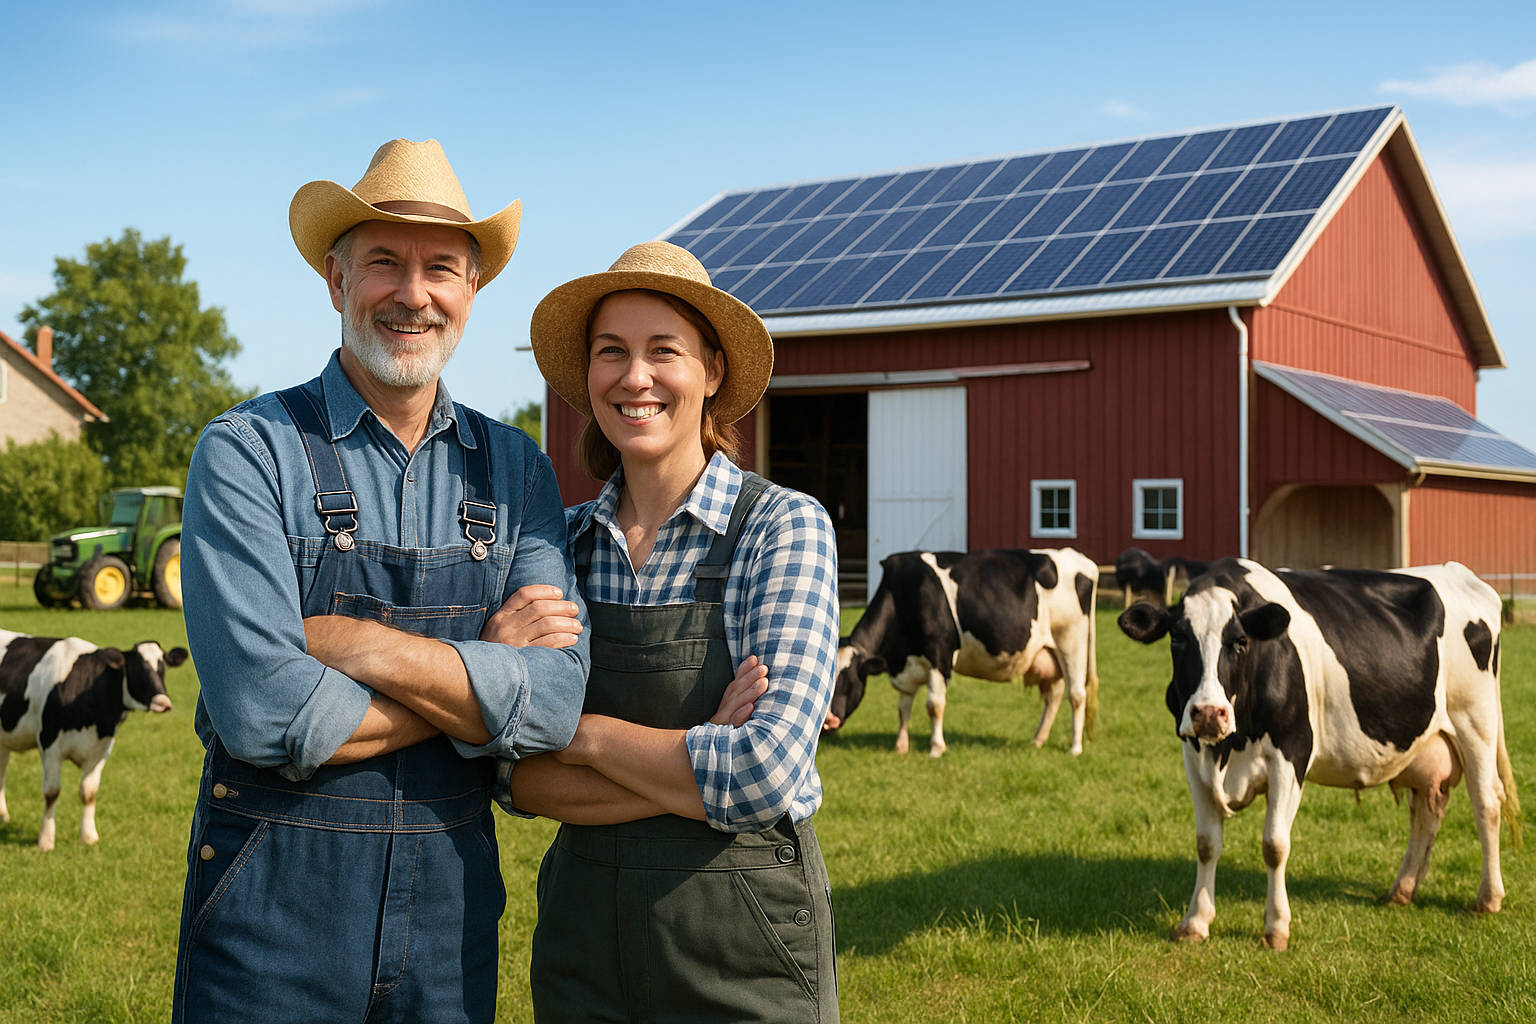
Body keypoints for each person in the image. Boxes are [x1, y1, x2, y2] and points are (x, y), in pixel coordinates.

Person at [171, 139, 590, 1024]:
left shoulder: (517, 472)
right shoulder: (248, 453)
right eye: (384, 263)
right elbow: (261, 713)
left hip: (451, 924)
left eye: (442, 266)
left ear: (472, 292)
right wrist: (479, 681)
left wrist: (356, 645)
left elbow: (552, 704)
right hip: (270, 923)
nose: (414, 292)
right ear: (335, 278)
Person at [515, 241, 841, 1022]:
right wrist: (697, 756)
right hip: (583, 948)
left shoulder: (782, 528)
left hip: (743, 946)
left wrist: (582, 736)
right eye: (611, 353)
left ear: (713, 371)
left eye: (664, 351)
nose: (635, 378)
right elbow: (513, 777)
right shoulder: (558, 546)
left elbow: (763, 771)